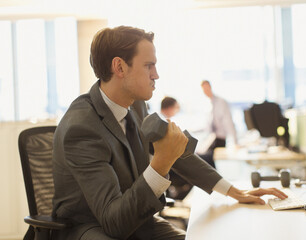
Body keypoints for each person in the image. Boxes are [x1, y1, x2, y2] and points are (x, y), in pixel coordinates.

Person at [52, 26, 287, 240]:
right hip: (91, 229)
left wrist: (234, 191)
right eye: (148, 66)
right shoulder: (81, 127)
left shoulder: (136, 105)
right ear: (120, 67)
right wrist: (161, 163)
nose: (156, 74)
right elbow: (114, 223)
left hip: (134, 219)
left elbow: (177, 151)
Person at [201, 80, 237, 151]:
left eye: (206, 88)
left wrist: (235, 141)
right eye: (203, 89)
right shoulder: (207, 104)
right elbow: (207, 124)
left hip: (220, 137)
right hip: (210, 137)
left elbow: (228, 122)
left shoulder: (221, 102)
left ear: (210, 87)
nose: (205, 91)